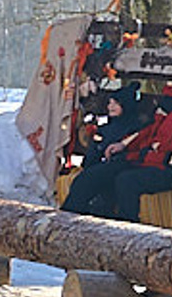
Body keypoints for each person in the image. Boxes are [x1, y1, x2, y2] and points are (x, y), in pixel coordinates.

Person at [61, 86, 172, 221]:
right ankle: (67, 218)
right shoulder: (165, 111)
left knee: (126, 180)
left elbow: (161, 151)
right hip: (143, 160)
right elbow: (148, 134)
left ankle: (127, 230)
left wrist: (134, 155)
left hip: (161, 167)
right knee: (95, 174)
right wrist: (124, 145)